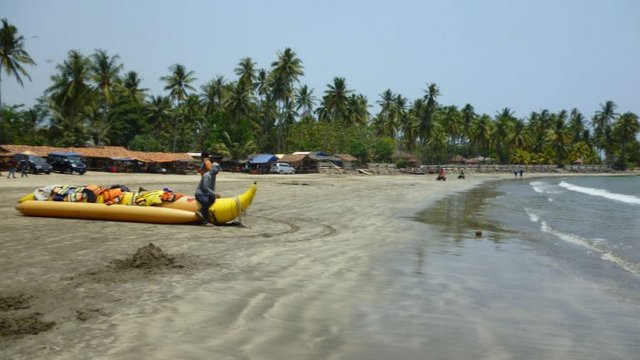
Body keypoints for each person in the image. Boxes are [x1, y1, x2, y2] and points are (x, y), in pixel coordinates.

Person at [195, 162, 221, 226]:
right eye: (217, 170)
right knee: (205, 202)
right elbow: (205, 188)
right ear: (213, 169)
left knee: (212, 199)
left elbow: (212, 187)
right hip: (200, 193)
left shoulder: (213, 176)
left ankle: (201, 211)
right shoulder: (207, 175)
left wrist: (214, 195)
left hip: (207, 194)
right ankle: (205, 221)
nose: (218, 171)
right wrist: (214, 193)